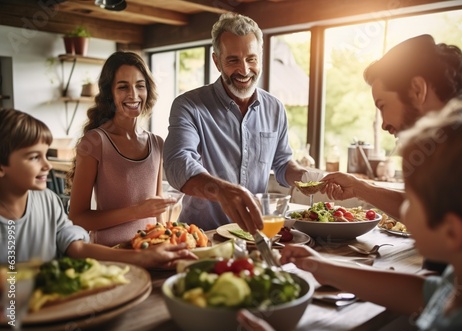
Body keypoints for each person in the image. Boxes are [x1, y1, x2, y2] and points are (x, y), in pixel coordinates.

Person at [241, 98, 462, 331]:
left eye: (410, 199)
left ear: (452, 232)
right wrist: (321, 267)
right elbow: (425, 292)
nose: (402, 207)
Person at [0, 108, 197, 268]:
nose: (48, 165)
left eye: (45, 155)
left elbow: (75, 247)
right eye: (34, 157)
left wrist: (140, 257)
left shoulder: (48, 201)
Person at [163, 12, 306, 233]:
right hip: (202, 235)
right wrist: (221, 191)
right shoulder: (188, 106)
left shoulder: (275, 108)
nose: (244, 70)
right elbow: (177, 163)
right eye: (233, 60)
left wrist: (308, 178)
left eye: (251, 59)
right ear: (217, 61)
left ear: (260, 56)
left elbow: (282, 162)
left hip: (253, 233)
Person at [322, 34, 462, 220]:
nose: (384, 124)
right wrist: (357, 187)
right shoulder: (444, 141)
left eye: (382, 105)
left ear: (417, 89)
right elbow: (423, 211)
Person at [67, 51, 174, 247]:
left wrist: (167, 238)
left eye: (140, 86)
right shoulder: (95, 142)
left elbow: (158, 215)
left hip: (150, 251)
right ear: (110, 93)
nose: (133, 95)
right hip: (110, 255)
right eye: (123, 87)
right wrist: (137, 211)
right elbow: (77, 218)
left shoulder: (157, 143)